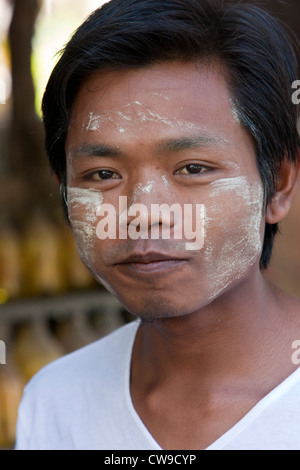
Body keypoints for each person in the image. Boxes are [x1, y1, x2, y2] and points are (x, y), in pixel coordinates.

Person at [15, 0, 300, 450]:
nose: (143, 212)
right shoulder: (56, 402)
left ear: (278, 186)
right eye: (103, 174)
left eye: (192, 168)